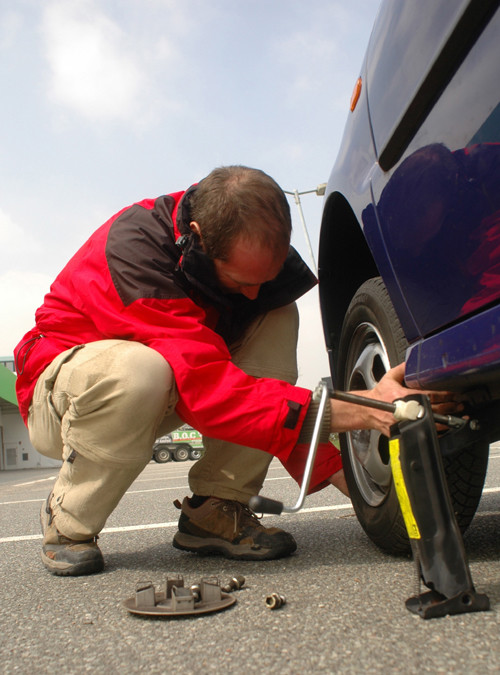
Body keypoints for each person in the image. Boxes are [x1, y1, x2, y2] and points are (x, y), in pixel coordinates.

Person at [14, 165, 460, 576]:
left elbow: (259, 392)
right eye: (243, 283)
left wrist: (353, 475)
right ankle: (68, 519)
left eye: (261, 280)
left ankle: (215, 509)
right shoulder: (136, 256)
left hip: (173, 385)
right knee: (139, 371)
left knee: (276, 313)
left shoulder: (243, 257)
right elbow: (215, 395)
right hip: (64, 397)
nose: (251, 296)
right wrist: (366, 410)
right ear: (197, 238)